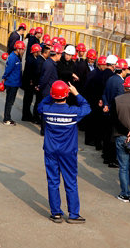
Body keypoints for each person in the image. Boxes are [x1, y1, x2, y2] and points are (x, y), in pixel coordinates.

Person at [38, 81, 91, 224]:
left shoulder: (46, 109)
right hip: (68, 152)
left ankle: (56, 213)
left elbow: (40, 106)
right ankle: (73, 214)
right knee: (70, 181)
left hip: (51, 150)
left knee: (53, 181)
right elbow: (87, 107)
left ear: (52, 95)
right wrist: (76, 93)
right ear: (67, 95)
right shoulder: (73, 112)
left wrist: (51, 95)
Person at [101, 56, 127, 167]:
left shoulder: (111, 79)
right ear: (123, 70)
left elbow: (104, 94)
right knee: (113, 137)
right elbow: (119, 100)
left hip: (108, 111)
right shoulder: (121, 83)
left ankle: (106, 156)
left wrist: (106, 104)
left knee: (107, 135)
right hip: (114, 113)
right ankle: (111, 159)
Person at [83, 55, 107, 148]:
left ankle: (90, 139)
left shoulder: (94, 73)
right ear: (100, 65)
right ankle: (90, 140)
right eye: (104, 65)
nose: (105, 67)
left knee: (91, 121)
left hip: (92, 100)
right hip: (93, 101)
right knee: (92, 121)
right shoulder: (97, 75)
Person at [0, 40, 26, 125]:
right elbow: (8, 69)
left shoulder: (17, 57)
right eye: (22, 50)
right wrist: (4, 77)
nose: (23, 51)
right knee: (9, 101)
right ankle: (6, 119)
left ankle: (8, 117)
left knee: (11, 101)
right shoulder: (12, 57)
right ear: (18, 49)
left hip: (15, 82)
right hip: (11, 83)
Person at [21, 43, 41, 122]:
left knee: (28, 99)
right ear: (35, 52)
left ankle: (27, 114)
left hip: (29, 83)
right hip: (28, 83)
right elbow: (29, 73)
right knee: (27, 100)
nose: (40, 53)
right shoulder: (31, 60)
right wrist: (31, 81)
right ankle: (26, 115)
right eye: (39, 51)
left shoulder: (33, 58)